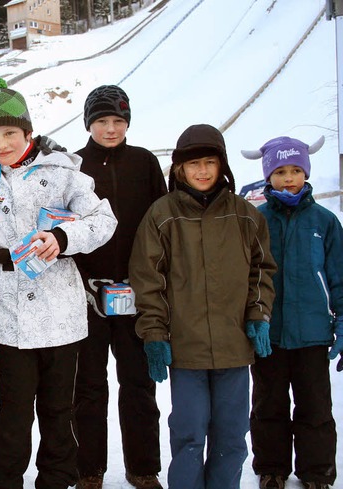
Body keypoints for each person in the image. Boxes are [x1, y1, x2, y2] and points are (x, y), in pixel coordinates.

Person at [0, 77, 118, 489]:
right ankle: (4, 479)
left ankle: (57, 479)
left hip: (61, 311)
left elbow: (103, 220)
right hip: (9, 312)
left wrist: (62, 238)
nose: (1, 144)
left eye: (10, 134)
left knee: (58, 408)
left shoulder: (62, 171)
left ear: (29, 132)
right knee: (16, 408)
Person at [129, 124, 277, 489]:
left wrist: (258, 315)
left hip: (233, 346)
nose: (202, 171)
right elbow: (148, 280)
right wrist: (154, 335)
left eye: (210, 162)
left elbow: (262, 270)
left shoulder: (246, 215)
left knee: (230, 439)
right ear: (179, 169)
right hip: (186, 349)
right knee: (189, 435)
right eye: (193, 164)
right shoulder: (162, 214)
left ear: (221, 165)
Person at [73, 85, 165, 489]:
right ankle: (89, 469)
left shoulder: (144, 162)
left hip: (137, 296)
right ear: (89, 123)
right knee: (88, 388)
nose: (111, 129)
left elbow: (162, 224)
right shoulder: (72, 165)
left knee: (138, 386)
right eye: (102, 121)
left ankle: (143, 469)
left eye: (118, 121)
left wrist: (155, 284)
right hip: (85, 297)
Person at [241, 136, 340, 489]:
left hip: (313, 332)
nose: (289, 178)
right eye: (281, 171)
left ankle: (317, 472)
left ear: (306, 173)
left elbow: (338, 275)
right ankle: (271, 468)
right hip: (269, 332)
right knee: (269, 405)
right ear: (268, 176)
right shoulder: (256, 219)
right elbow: (246, 275)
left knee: (315, 406)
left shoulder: (325, 221)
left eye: (296, 170)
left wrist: (342, 320)